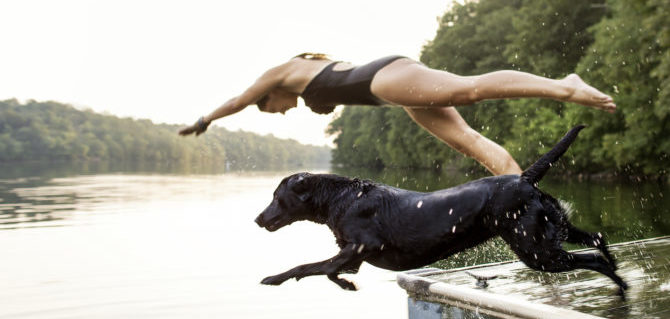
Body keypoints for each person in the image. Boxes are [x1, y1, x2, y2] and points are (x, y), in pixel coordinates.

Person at [178, 53, 616, 175]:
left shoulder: (277, 74)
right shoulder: (301, 78)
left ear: (267, 96)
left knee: (469, 89)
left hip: (385, 79)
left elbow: (238, 99)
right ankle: (518, 193)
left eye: (271, 110)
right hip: (390, 91)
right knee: (468, 142)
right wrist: (319, 102)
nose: (279, 112)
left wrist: (206, 121)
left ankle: (564, 87)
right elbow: (330, 89)